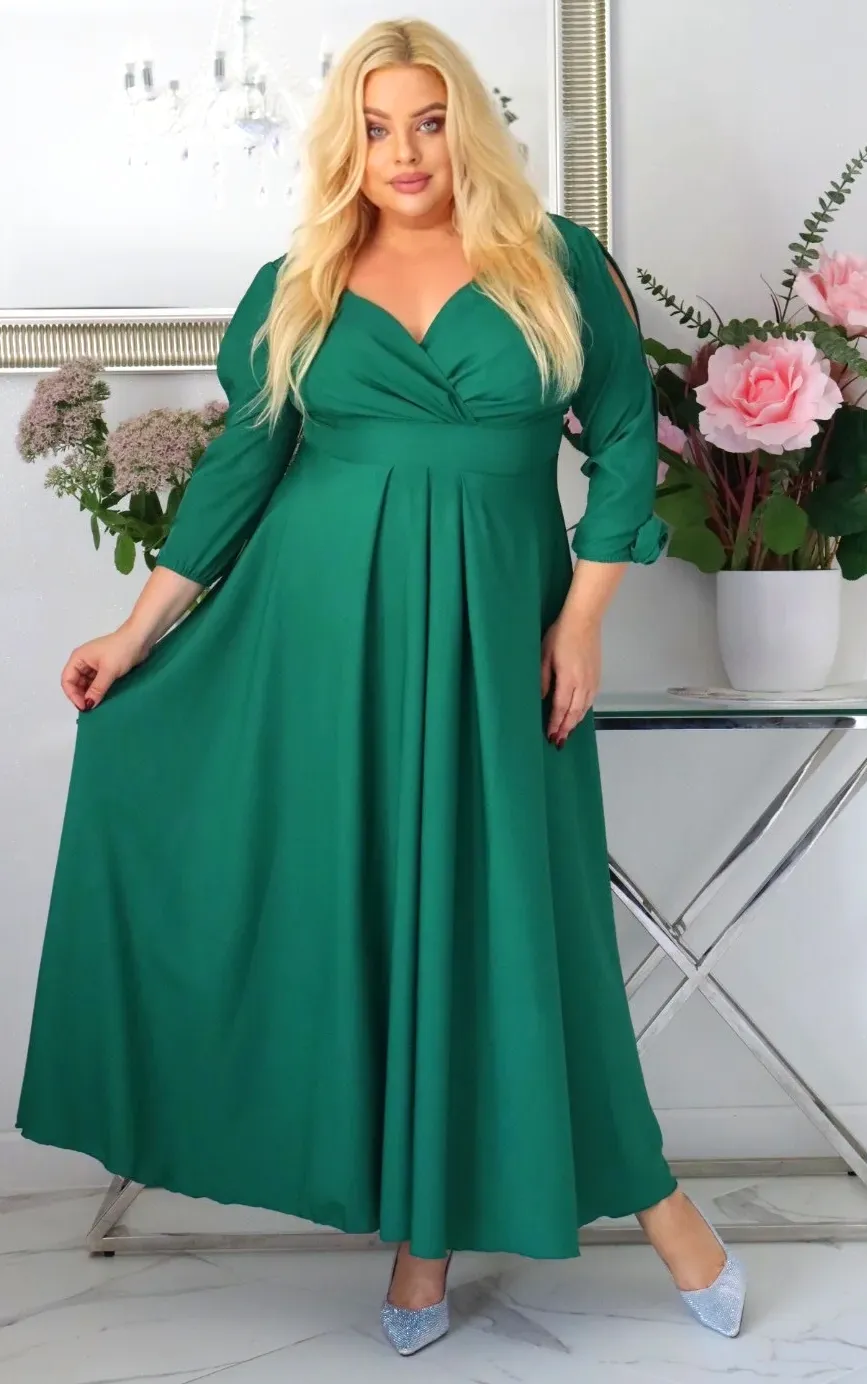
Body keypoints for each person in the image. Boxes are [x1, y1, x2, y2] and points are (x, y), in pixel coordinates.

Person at [16, 16, 746, 1357]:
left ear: (465, 126)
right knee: (372, 915)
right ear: (343, 141)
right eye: (372, 126)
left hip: (497, 629)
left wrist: (581, 620)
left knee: (516, 915)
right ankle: (421, 1242)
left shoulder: (555, 263)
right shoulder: (300, 277)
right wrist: (134, 629)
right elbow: (242, 470)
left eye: (426, 121)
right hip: (318, 635)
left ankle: (650, 1200)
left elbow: (624, 447)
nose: (402, 151)